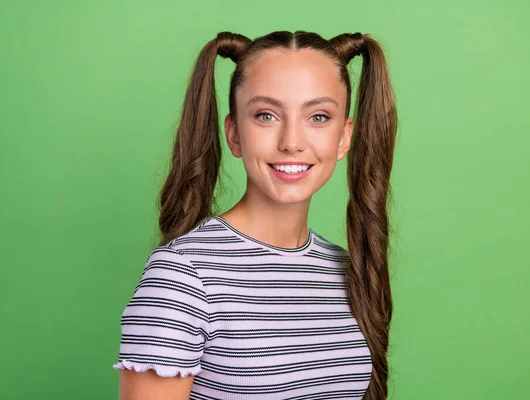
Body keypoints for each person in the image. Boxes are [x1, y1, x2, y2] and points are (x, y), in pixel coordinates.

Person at [113, 30, 398, 400]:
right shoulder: (182, 275)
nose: (292, 141)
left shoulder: (346, 270)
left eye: (318, 116)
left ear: (344, 138)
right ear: (233, 134)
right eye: (266, 115)